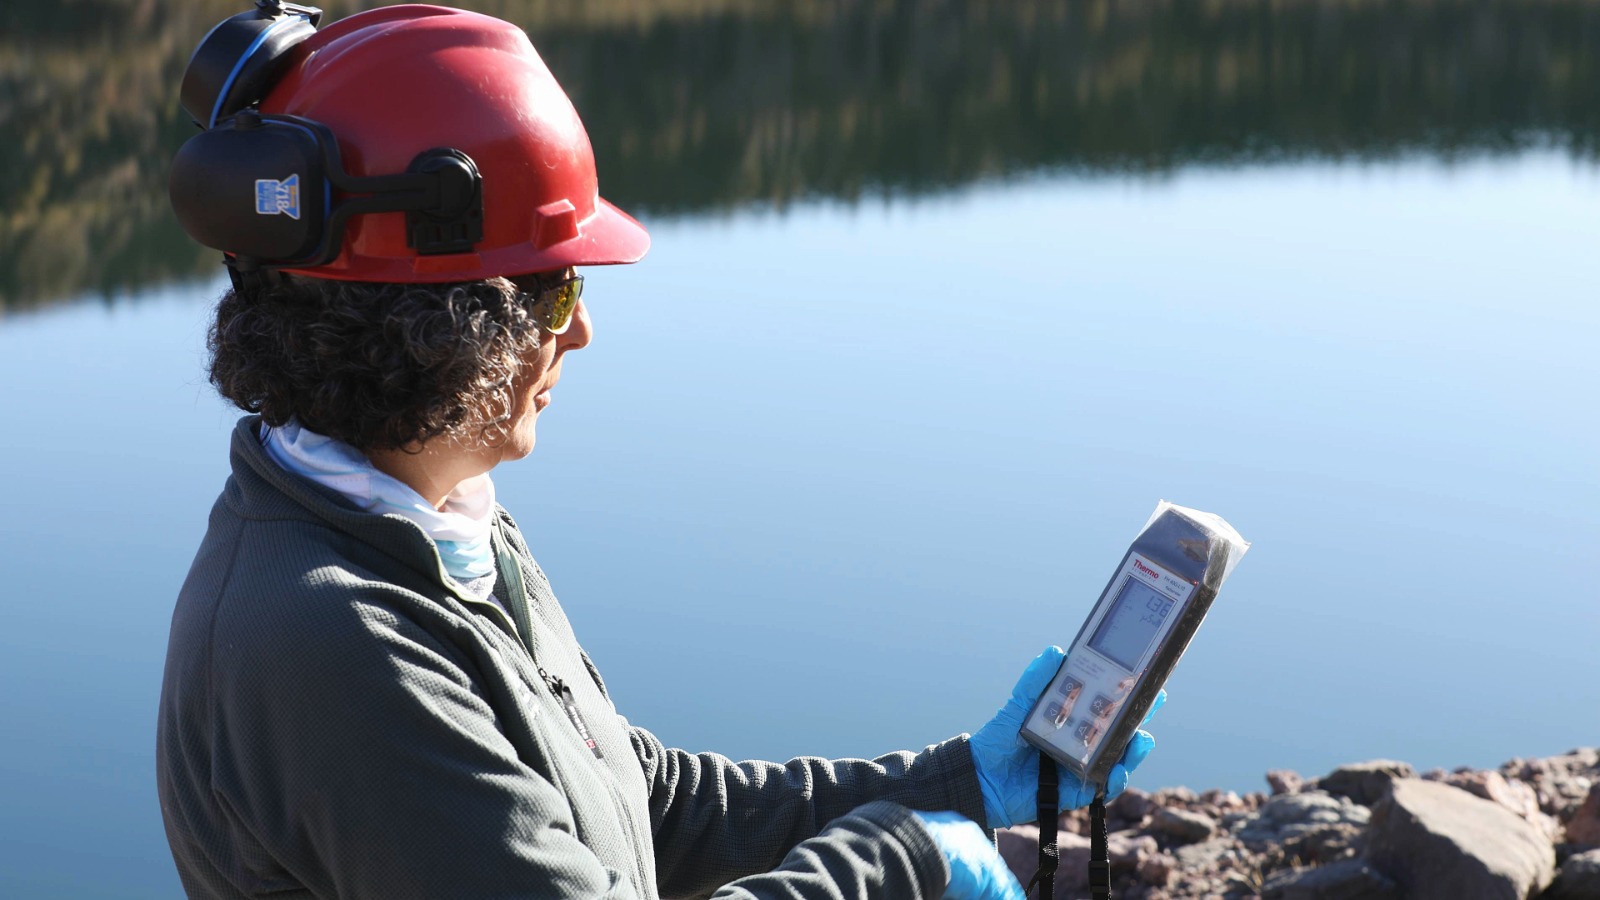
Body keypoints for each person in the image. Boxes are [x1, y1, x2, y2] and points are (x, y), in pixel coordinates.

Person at [155, 5, 1158, 899]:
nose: (580, 331)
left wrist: (955, 784)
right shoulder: (332, 644)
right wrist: (902, 865)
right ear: (437, 324)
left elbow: (629, 802)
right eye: (555, 290)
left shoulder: (428, 520)